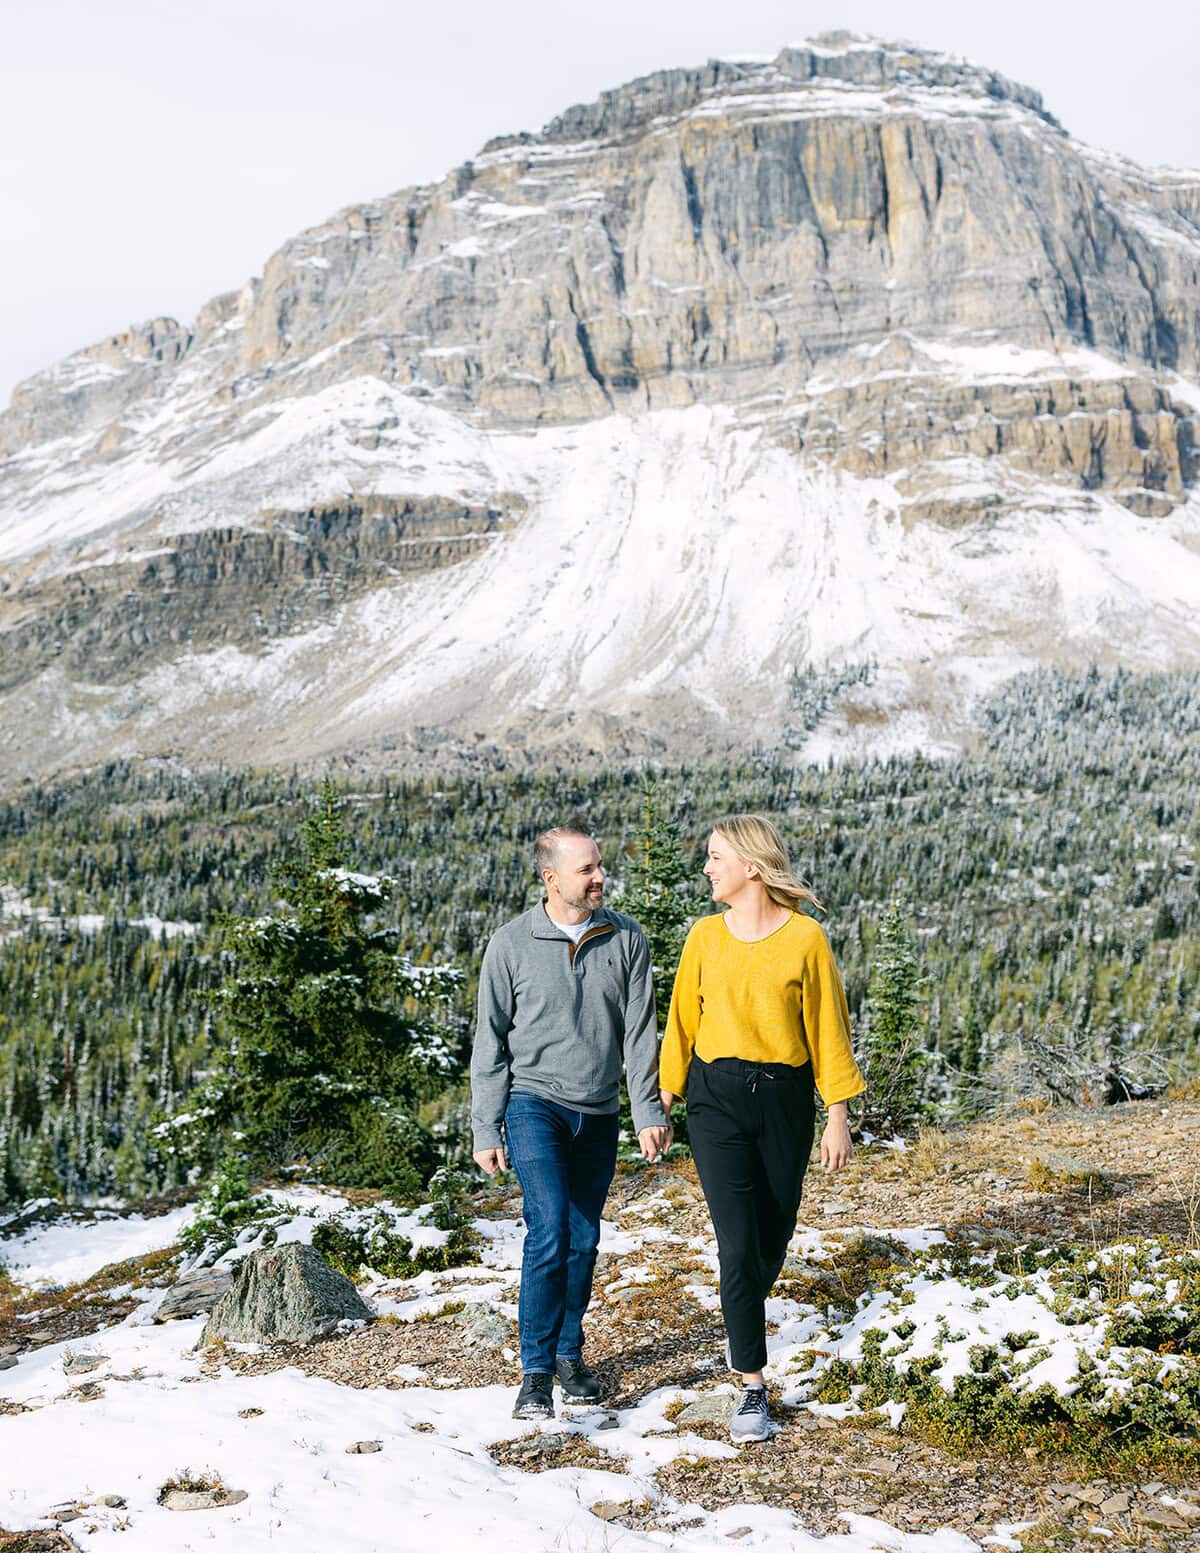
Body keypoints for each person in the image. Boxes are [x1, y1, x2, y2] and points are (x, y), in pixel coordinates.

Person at [659, 813, 864, 1443]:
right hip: (714, 1097)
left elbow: (829, 1028)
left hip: (785, 1100)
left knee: (772, 1236)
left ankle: (742, 1300)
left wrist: (837, 1114)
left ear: (750, 865)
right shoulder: (703, 937)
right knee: (736, 1244)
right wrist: (662, 1100)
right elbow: (681, 1022)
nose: (707, 868)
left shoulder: (806, 939)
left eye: (715, 856)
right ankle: (751, 1385)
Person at [472, 824, 673, 1420]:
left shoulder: (625, 938)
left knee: (584, 1239)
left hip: (601, 1111)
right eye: (586, 869)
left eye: (600, 866)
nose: (599, 878)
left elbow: (640, 1033)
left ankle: (568, 1353)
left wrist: (648, 1111)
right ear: (551, 878)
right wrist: (486, 1127)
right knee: (551, 1230)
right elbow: (489, 1043)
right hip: (534, 1105)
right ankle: (534, 1374)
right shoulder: (509, 944)